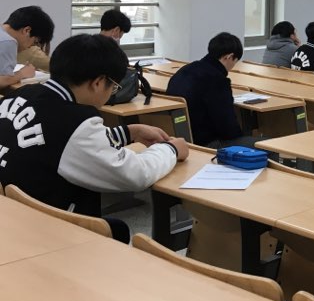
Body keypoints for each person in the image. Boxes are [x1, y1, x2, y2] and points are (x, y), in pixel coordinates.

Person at [0, 34, 188, 242]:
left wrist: (129, 132)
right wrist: (171, 150)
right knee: (117, 230)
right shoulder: (74, 120)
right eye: (113, 87)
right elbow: (136, 174)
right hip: (45, 231)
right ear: (98, 82)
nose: (110, 94)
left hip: (12, 215)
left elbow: (62, 142)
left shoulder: (19, 95)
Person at [167, 32, 257, 148]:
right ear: (229, 57)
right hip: (206, 143)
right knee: (266, 145)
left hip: (178, 137)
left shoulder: (185, 70)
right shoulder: (217, 80)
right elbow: (227, 127)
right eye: (235, 61)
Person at [0, 6, 55, 89]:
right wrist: (22, 73)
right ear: (27, 31)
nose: (30, 47)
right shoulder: (8, 41)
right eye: (35, 42)